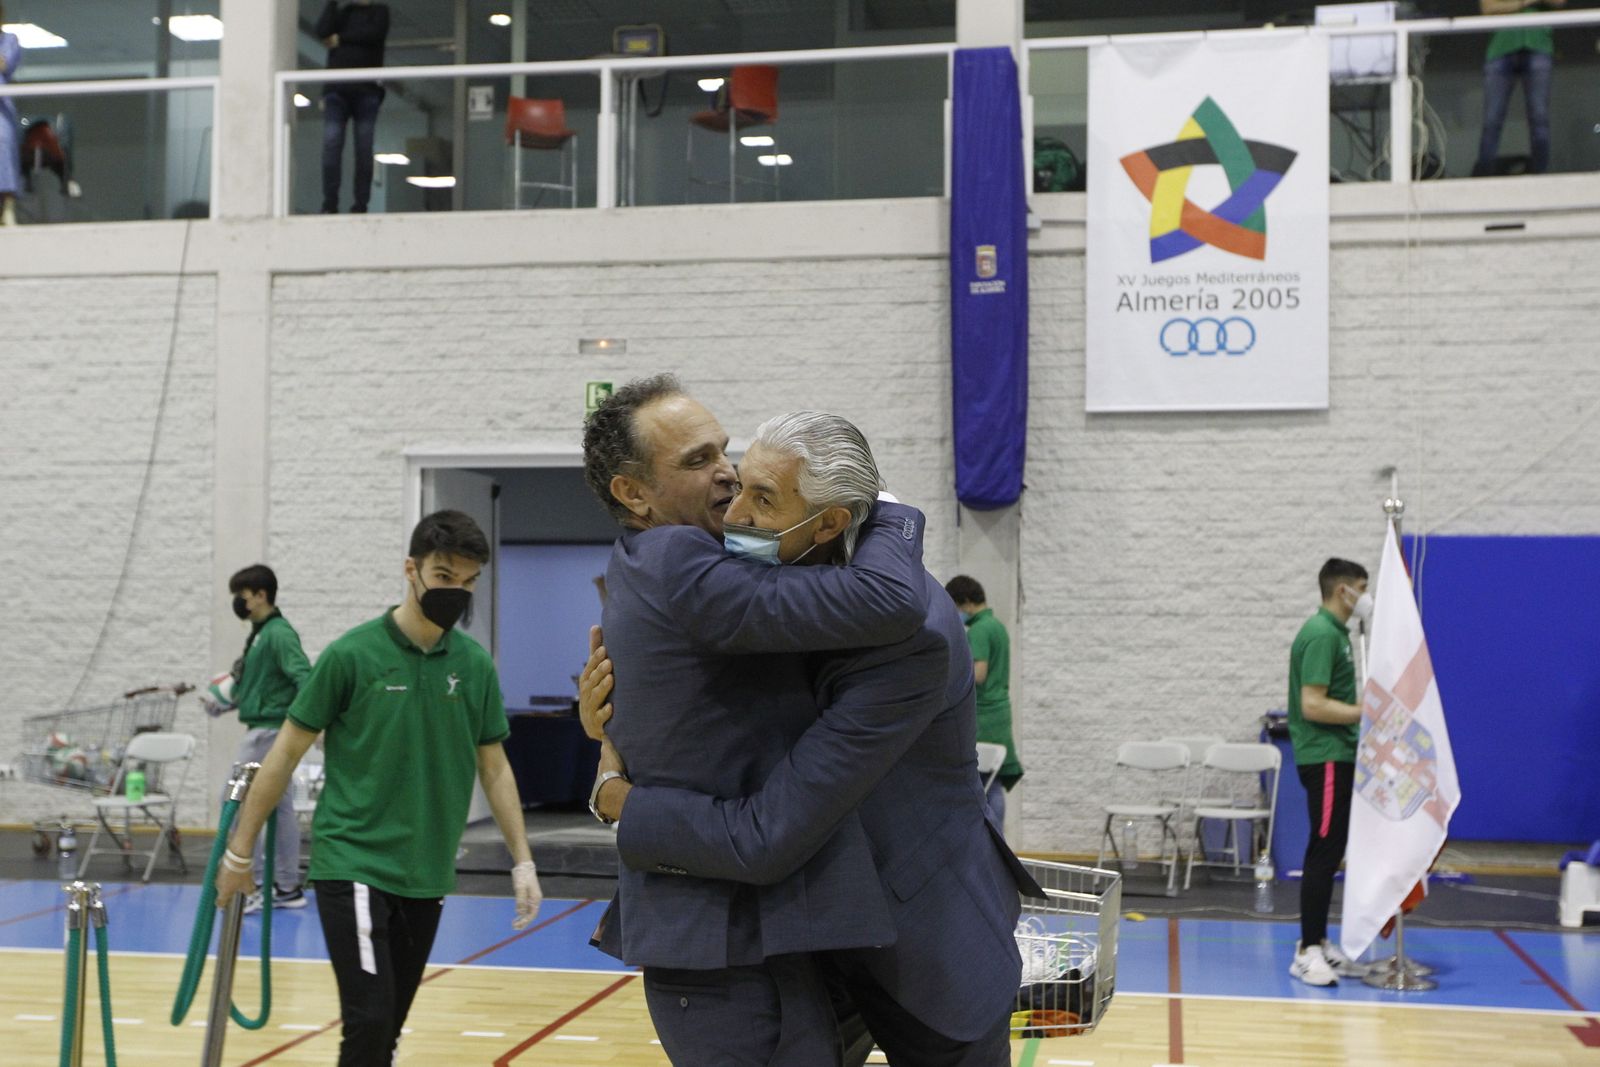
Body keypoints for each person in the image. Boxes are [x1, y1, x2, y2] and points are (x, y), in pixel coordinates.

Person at [584, 402, 1039, 1066]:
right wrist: (605, 718)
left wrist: (616, 799)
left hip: (925, 943)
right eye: (730, 477)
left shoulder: (906, 639)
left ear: (827, 521)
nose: (734, 511)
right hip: (816, 943)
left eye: (760, 497)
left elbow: (768, 833)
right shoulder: (755, 575)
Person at [215, 510, 541, 1067]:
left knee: (386, 1030)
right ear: (410, 570)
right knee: (367, 1024)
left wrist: (523, 862)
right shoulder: (351, 656)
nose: (456, 592)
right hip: (353, 862)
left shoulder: (474, 665)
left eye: (469, 582)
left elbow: (495, 768)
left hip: (428, 869)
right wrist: (238, 852)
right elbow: (284, 756)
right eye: (444, 577)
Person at [1286, 557, 1373, 987]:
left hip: (1339, 755)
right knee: (1323, 850)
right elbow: (1313, 705)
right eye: (1362, 586)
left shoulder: (1336, 634)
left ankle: (1320, 938)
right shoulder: (1321, 634)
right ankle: (1307, 951)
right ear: (1344, 591)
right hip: (1324, 756)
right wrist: (1366, 712)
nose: (1366, 596)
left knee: (1332, 848)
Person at [208, 564, 313, 912]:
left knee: (236, 802)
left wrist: (304, 725)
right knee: (279, 808)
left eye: (242, 595)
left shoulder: (278, 634)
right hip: (263, 726)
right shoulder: (259, 635)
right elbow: (259, 685)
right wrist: (223, 704)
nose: (238, 602)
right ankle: (286, 886)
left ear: (260, 595)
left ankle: (246, 883)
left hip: (269, 732)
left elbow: (303, 677)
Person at [944, 575, 1023, 835]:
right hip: (999, 712)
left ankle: (992, 841)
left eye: (954, 607)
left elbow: (978, 673)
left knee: (982, 783)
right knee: (994, 783)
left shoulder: (978, 630)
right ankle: (998, 841)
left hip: (985, 715)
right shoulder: (997, 626)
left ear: (965, 602)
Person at [314, 0, 390, 213]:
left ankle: (361, 204)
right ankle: (330, 202)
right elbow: (321, 31)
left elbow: (373, 34)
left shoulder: (379, 12)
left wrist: (342, 38)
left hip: (367, 92)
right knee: (331, 144)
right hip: (336, 91)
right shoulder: (342, 13)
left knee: (364, 149)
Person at [1473, 0, 1564, 177]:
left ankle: (1540, 175)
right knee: (1492, 119)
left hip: (1538, 45)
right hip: (1501, 48)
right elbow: (1488, 7)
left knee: (1539, 117)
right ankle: (1483, 177)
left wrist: (1510, 4)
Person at [1, 8, 22, 228]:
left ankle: (8, 208)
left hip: (1, 108)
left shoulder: (10, 40)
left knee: (4, 146)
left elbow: (4, 65)